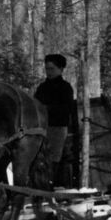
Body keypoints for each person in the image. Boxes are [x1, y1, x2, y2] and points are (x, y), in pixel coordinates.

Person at [34, 54, 79, 186]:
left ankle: (53, 185)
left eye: (52, 69)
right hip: (41, 128)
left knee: (53, 159)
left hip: (57, 128)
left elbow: (66, 109)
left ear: (61, 69)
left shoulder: (65, 88)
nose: (49, 72)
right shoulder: (42, 88)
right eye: (47, 69)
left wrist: (46, 109)